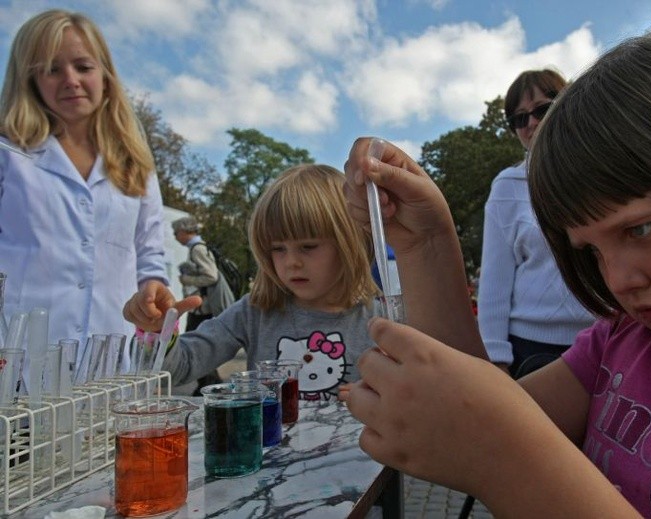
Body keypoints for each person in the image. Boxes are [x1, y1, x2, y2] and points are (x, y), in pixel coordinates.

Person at [339, 16, 651, 518]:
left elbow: (498, 437)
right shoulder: (621, 340)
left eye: (641, 229)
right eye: (592, 251)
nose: (619, 281)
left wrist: (503, 459)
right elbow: (482, 413)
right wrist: (425, 242)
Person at [124, 164, 383, 400]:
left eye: (308, 246)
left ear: (351, 243)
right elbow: (181, 368)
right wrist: (158, 332)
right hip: (268, 450)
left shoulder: (382, 320)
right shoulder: (254, 311)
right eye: (278, 249)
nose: (291, 261)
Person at [0, 10, 174, 358]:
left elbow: (149, 252)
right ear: (30, 80)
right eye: (52, 68)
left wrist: (153, 291)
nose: (70, 79)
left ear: (105, 76)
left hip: (110, 358)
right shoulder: (9, 156)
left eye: (83, 66)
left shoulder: (134, 163)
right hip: (20, 359)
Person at [478, 68, 594, 376]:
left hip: (606, 339)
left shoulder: (601, 174)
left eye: (542, 109)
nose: (531, 123)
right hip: (531, 349)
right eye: (519, 118)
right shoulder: (507, 186)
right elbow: (494, 283)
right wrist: (496, 360)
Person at [171, 216, 231, 394]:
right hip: (201, 307)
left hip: (201, 308)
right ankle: (207, 383)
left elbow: (211, 276)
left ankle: (209, 384)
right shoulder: (199, 248)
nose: (175, 237)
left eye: (176, 233)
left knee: (196, 344)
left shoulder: (197, 249)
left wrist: (186, 279)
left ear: (185, 231)